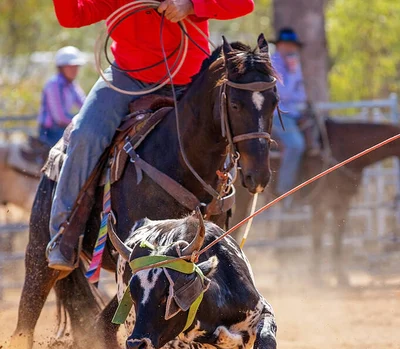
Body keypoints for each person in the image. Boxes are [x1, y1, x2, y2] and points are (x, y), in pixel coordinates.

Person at [47, 0, 255, 272]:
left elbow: (244, 4)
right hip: (127, 76)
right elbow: (75, 15)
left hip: (190, 77)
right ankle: (64, 234)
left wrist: (191, 5)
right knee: (86, 133)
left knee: (238, 131)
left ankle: (230, 238)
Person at [270, 28, 307, 204]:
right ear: (280, 46)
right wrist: (292, 73)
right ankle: (284, 190)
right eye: (287, 44)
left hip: (295, 112)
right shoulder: (274, 63)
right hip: (279, 113)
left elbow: (301, 94)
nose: (290, 48)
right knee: (295, 145)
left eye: (293, 45)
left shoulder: (293, 64)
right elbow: (282, 92)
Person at [38, 46, 86, 148]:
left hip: (62, 129)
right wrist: (82, 121)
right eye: (70, 66)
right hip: (50, 132)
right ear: (61, 68)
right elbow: (60, 118)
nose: (74, 70)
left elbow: (85, 104)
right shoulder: (54, 84)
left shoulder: (72, 85)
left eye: (76, 66)